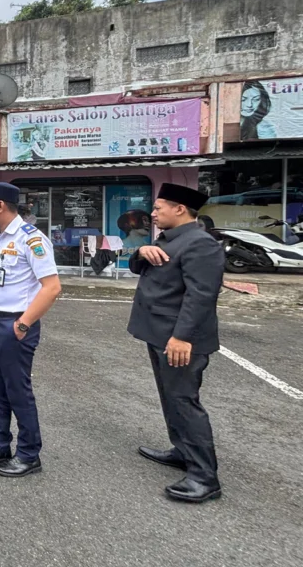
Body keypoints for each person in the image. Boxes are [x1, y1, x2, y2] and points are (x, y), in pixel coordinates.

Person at [128, 183, 224, 503]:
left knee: (184, 401)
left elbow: (201, 297)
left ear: (179, 209)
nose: (153, 214)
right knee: (170, 398)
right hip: (159, 335)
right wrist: (140, 251)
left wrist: (183, 337)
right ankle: (182, 451)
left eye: (158, 208)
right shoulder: (169, 238)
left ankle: (204, 477)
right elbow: (137, 267)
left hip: (178, 339)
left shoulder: (199, 244)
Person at [0, 182, 62, 478]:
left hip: (14, 324)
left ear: (0, 205)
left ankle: (29, 453)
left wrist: (23, 324)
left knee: (17, 390)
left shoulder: (30, 239)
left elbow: (52, 287)